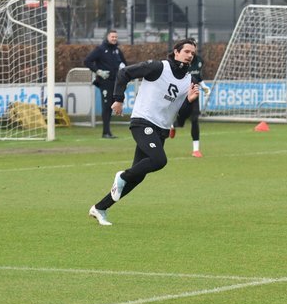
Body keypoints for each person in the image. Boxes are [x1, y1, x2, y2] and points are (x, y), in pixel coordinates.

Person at [88, 39, 200, 226]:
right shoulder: (158, 67)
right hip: (143, 122)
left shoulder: (189, 81)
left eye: (192, 53)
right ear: (176, 52)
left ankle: (100, 208)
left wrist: (189, 100)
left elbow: (181, 116)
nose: (190, 55)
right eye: (186, 51)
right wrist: (118, 99)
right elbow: (124, 73)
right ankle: (122, 176)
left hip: (162, 130)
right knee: (159, 160)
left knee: (138, 176)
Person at [83, 29, 128, 138]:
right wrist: (98, 71)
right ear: (107, 37)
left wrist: (122, 67)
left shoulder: (117, 50)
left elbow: (124, 63)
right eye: (112, 37)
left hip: (115, 82)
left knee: (112, 106)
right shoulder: (100, 49)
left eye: (116, 37)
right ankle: (105, 132)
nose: (114, 39)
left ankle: (107, 132)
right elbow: (87, 61)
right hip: (105, 82)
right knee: (106, 106)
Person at [170, 47, 205, 157]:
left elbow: (198, 77)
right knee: (181, 122)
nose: (190, 53)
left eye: (193, 50)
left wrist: (204, 87)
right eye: (188, 50)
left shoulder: (199, 61)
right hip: (182, 95)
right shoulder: (180, 62)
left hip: (194, 94)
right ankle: (173, 125)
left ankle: (196, 150)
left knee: (194, 119)